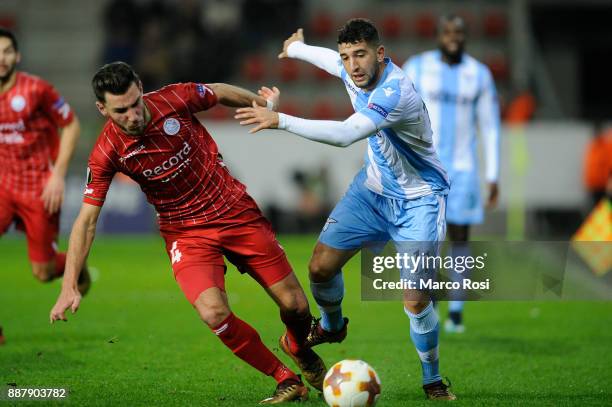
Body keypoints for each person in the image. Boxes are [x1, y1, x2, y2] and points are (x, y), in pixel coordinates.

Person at [48, 62, 326, 404]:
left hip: (234, 212)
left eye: (136, 102)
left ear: (140, 86)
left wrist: (262, 103)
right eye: (121, 110)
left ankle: (297, 345)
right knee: (213, 312)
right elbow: (87, 220)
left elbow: (219, 91)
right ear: (102, 109)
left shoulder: (172, 99)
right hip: (185, 233)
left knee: (296, 307)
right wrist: (68, 284)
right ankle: (284, 378)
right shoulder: (107, 151)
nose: (134, 114)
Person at [235, 19, 456, 400]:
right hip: (372, 190)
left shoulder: (394, 91)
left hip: (419, 199)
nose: (352, 65)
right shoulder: (353, 70)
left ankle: (432, 379)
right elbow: (329, 62)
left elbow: (345, 134)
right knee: (320, 266)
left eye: (361, 55)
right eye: (347, 56)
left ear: (380, 54)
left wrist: (281, 120)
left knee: (416, 299)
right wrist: (297, 49)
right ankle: (333, 327)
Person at [402, 14, 501, 333]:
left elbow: (490, 126)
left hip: (463, 169)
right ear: (438, 35)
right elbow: (399, 112)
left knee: (460, 237)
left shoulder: (479, 74)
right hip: (427, 166)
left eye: (459, 32)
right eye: (447, 32)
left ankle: (457, 308)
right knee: (428, 239)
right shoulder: (417, 67)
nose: (453, 37)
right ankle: (430, 299)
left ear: (465, 36)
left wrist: (493, 174)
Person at [0, 28, 89, 345]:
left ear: (17, 56)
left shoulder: (36, 89)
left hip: (37, 187)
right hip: (2, 185)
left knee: (42, 272)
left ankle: (75, 265)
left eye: (7, 51)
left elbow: (71, 124)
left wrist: (58, 174)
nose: (1, 57)